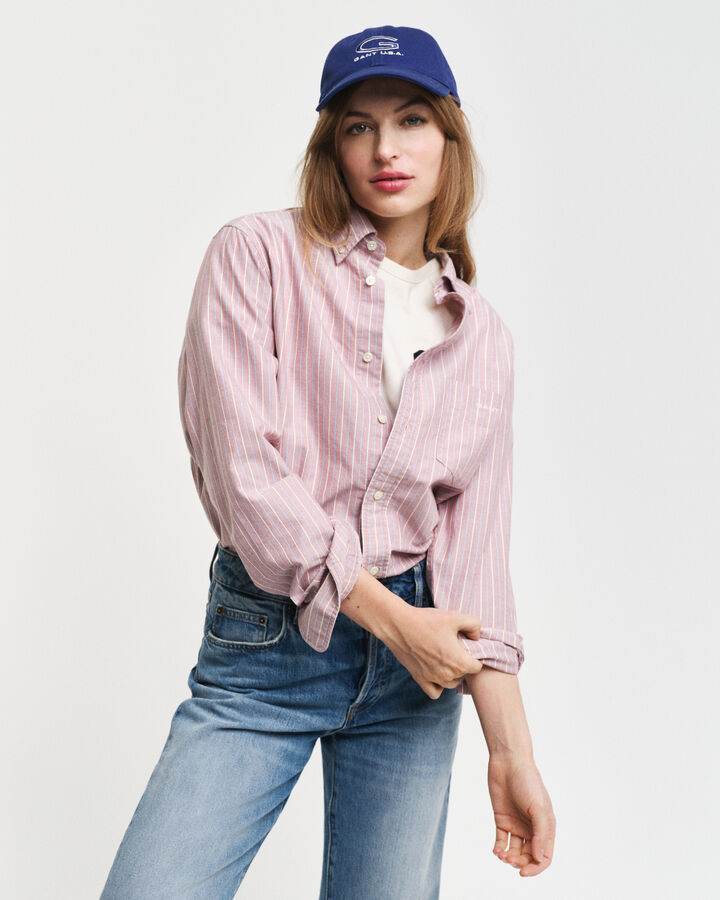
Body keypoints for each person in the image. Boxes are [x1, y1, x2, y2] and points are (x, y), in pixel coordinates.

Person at [100, 24, 556, 899]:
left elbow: (476, 565)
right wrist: (393, 620)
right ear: (331, 148)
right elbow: (245, 475)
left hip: (415, 681)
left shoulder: (483, 339)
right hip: (270, 643)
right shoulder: (257, 256)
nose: (386, 148)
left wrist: (512, 752)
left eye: (412, 120)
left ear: (449, 140)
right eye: (358, 125)